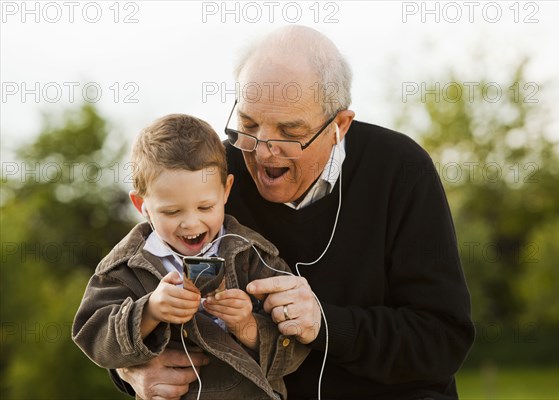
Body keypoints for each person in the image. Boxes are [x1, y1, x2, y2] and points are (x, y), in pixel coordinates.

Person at [114, 26, 475, 400]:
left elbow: (442, 340)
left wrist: (325, 323)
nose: (264, 151)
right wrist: (130, 371)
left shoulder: (401, 169)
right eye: (249, 125)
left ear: (339, 125)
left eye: (289, 131)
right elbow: (130, 289)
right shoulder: (211, 179)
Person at [73, 114, 309, 399]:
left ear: (226, 190)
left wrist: (245, 325)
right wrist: (149, 311)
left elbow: (298, 346)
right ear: (141, 205)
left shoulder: (253, 254)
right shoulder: (125, 267)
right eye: (172, 212)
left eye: (205, 207)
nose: (191, 224)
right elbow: (93, 337)